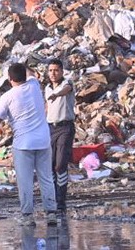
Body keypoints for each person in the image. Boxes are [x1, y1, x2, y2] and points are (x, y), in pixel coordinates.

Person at [0, 62, 58, 226]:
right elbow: (31, 73)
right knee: (46, 178)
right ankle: (51, 213)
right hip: (43, 141)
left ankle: (27, 216)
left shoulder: (8, 97)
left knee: (25, 181)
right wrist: (23, 65)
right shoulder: (34, 84)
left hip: (23, 144)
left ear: (10, 79)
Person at [45, 58, 75, 215]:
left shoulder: (66, 84)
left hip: (65, 127)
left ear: (62, 71)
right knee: (50, 165)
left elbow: (67, 89)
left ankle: (61, 201)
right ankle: (53, 199)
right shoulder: (47, 88)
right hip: (50, 128)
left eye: (56, 70)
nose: (53, 73)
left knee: (60, 165)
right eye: (50, 70)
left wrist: (56, 95)